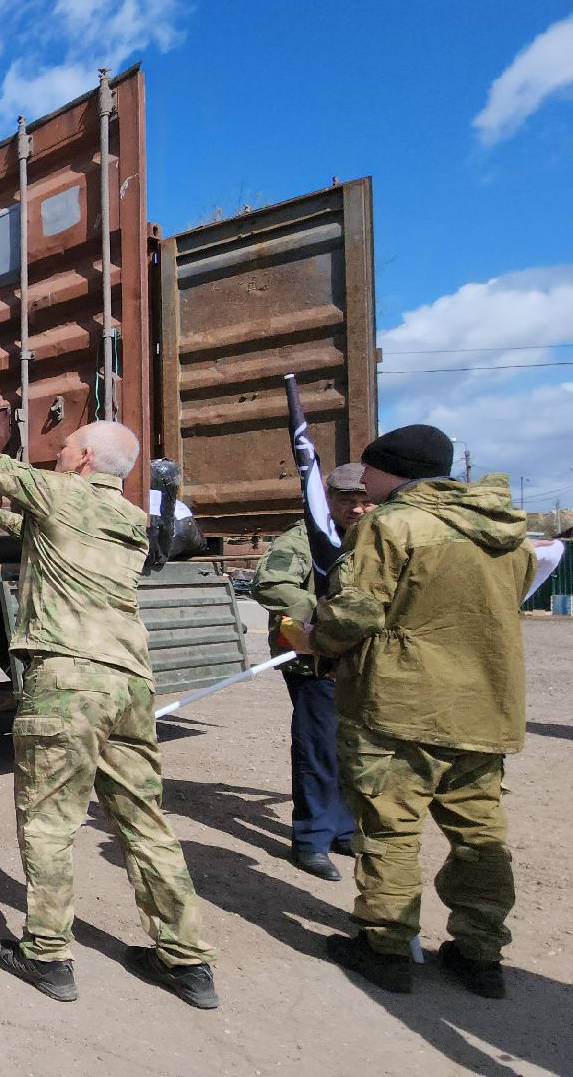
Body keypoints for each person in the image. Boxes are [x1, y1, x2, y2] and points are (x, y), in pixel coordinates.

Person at [0, 361, 220, 1010]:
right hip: (130, 687)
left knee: (50, 823)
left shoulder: (60, 492)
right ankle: (187, 961)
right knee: (145, 823)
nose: (58, 451)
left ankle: (47, 955)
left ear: (85, 459)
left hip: (68, 683)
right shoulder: (131, 522)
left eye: (65, 448)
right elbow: (51, 537)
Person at [286, 424, 533, 999]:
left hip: (401, 708)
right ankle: (481, 956)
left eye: (368, 469)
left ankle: (387, 949)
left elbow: (355, 614)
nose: (362, 480)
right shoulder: (507, 534)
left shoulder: (392, 525)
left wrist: (311, 638)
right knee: (479, 834)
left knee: (390, 830)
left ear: (392, 469)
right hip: (485, 708)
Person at [251, 462, 374, 881]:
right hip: (312, 659)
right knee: (318, 748)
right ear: (328, 501)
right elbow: (269, 585)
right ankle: (312, 839)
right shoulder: (303, 538)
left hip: (355, 661)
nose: (357, 510)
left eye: (364, 501)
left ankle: (341, 828)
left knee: (349, 748)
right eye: (346, 502)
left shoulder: (372, 540)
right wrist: (326, 617)